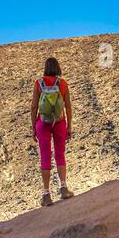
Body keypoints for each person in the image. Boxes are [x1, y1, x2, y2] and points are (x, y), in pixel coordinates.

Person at [31, 56, 74, 206]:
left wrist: (33, 127)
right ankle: (63, 188)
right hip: (59, 122)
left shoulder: (39, 83)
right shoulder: (62, 83)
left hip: (42, 123)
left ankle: (46, 195)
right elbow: (67, 105)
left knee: (45, 156)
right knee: (60, 154)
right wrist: (69, 125)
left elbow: (34, 107)